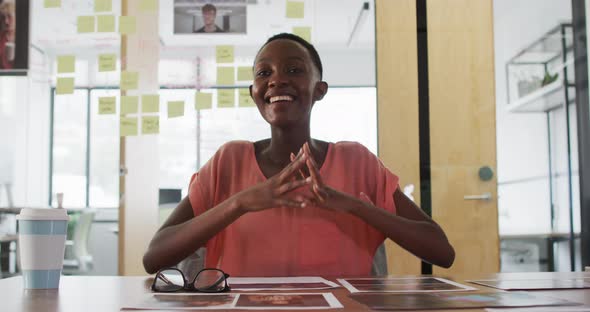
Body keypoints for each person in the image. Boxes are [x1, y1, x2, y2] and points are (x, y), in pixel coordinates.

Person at [143, 33, 455, 277]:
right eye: (264, 72)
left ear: (319, 89)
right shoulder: (229, 161)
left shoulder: (357, 161)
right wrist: (239, 203)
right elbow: (154, 257)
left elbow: (442, 252)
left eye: (294, 69)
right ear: (254, 91)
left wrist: (358, 207)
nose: (277, 79)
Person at [0, 1, 16, 69]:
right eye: (3, 17)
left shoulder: (23, 38)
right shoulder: (1, 36)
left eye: (9, 16)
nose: (6, 21)